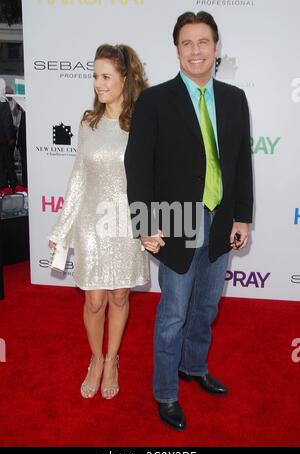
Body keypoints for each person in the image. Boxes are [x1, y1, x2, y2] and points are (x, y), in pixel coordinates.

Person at [125, 11, 253, 430]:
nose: (195, 50)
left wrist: (243, 217)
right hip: (177, 219)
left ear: (216, 48)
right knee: (174, 312)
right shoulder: (155, 100)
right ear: (177, 50)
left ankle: (193, 366)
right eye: (187, 43)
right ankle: (165, 392)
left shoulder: (235, 99)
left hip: (220, 218)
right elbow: (138, 167)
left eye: (203, 42)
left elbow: (241, 164)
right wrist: (144, 222)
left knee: (208, 305)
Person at [49, 44, 149, 400]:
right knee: (94, 300)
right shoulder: (88, 122)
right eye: (94, 76)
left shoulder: (142, 122)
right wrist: (62, 229)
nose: (98, 84)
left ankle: (112, 360)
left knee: (120, 295)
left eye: (106, 76)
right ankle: (95, 357)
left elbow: (151, 176)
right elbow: (78, 178)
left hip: (125, 222)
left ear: (125, 78)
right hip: (91, 222)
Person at [0, 79, 16, 193]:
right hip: (5, 141)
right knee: (9, 163)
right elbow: (6, 124)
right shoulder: (4, 104)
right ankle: (13, 185)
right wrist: (10, 138)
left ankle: (3, 184)